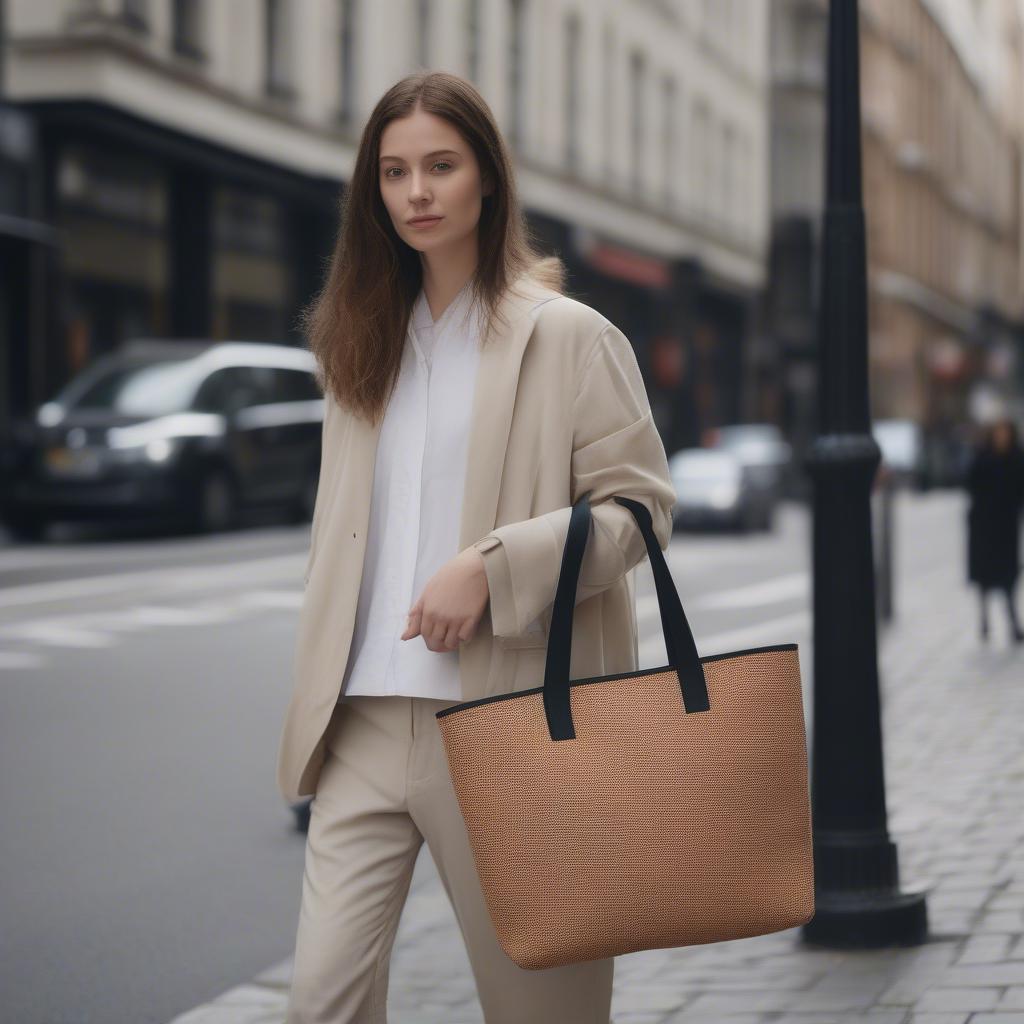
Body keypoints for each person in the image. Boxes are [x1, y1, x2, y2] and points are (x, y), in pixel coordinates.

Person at [278, 71, 678, 1024]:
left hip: (511, 724)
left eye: (441, 166)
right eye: (393, 171)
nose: (416, 192)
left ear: (487, 181)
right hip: (365, 723)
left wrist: (494, 569)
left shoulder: (569, 338)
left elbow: (642, 511)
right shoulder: (355, 346)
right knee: (318, 1002)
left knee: (543, 1012)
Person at [965, 416, 1024, 644]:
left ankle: (1012, 622)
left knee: (1008, 577)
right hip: (984, 526)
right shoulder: (983, 458)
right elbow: (970, 484)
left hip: (1007, 527)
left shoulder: (1017, 458)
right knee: (984, 577)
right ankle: (984, 620)